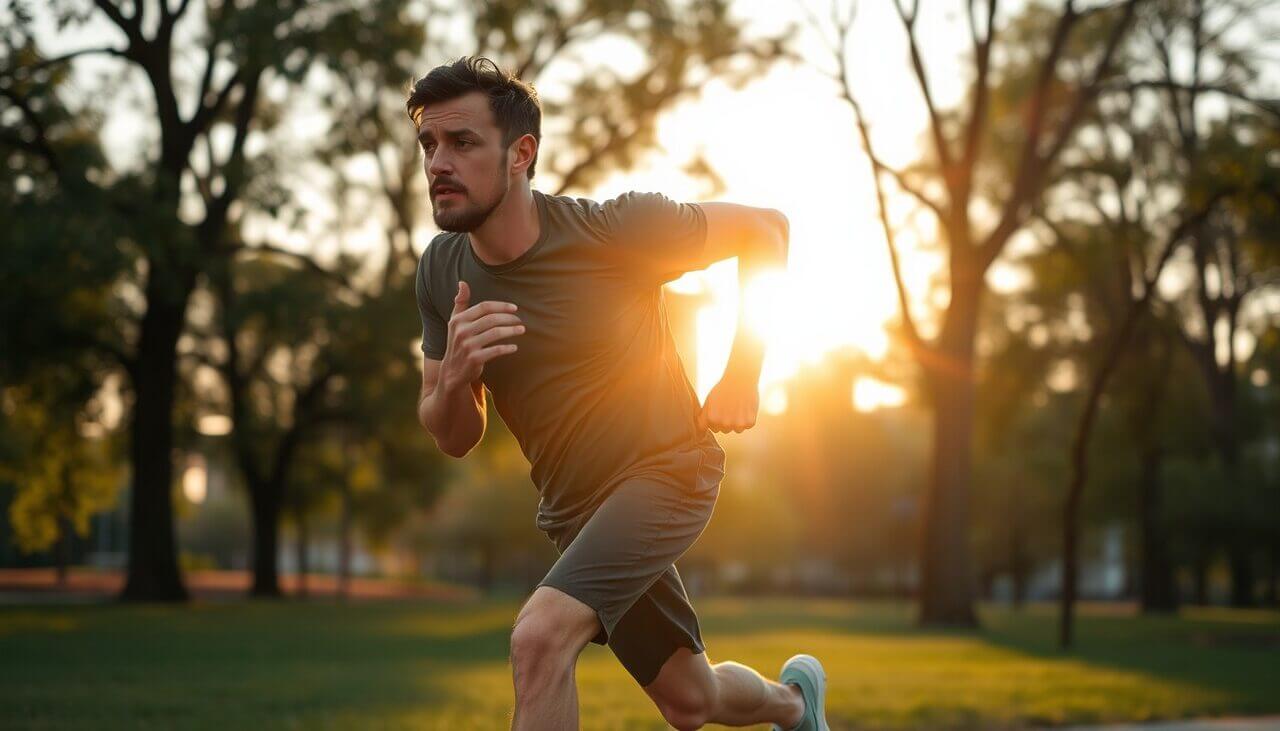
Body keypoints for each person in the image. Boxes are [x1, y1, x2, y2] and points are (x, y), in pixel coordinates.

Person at [410, 56, 829, 731]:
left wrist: (742, 370)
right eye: (428, 143)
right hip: (577, 512)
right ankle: (794, 706)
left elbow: (768, 229)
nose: (438, 162)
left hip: (669, 469)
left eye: (462, 142)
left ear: (521, 154)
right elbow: (451, 434)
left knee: (540, 635)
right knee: (690, 699)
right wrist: (455, 378)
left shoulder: (616, 232)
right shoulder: (440, 271)